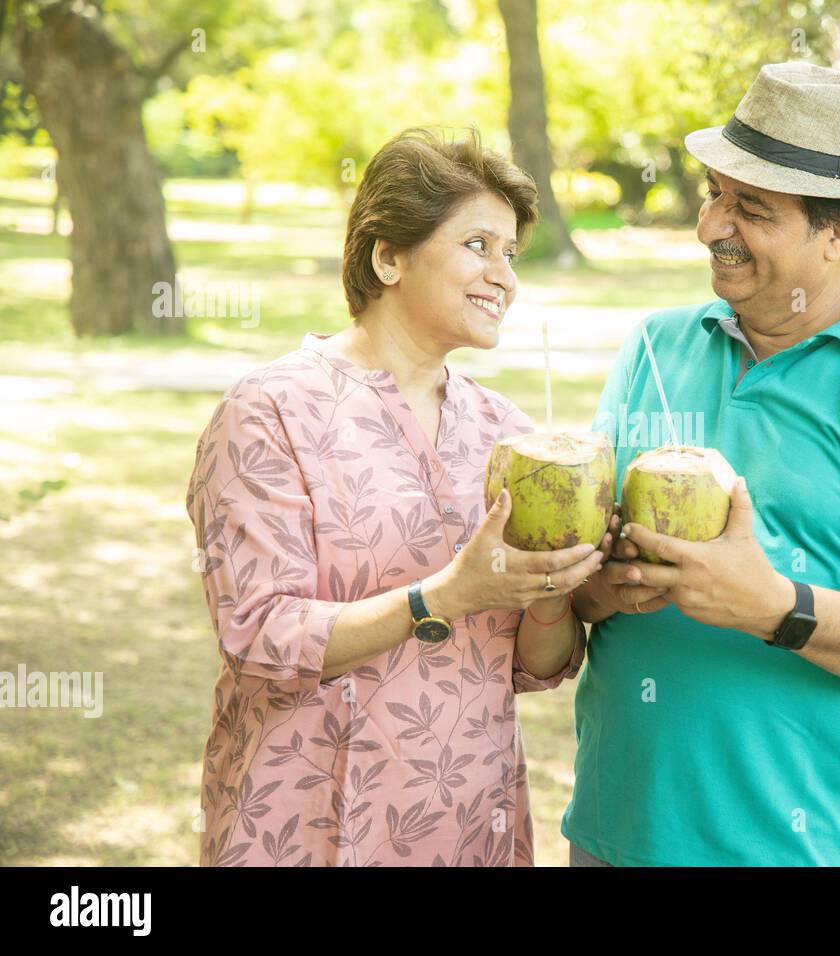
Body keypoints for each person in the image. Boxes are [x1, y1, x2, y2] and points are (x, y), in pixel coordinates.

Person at [565, 62, 840, 866]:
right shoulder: (655, 350)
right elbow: (585, 591)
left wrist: (773, 605)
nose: (709, 227)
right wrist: (601, 583)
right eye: (713, 194)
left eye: (752, 209)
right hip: (610, 837)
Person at [185, 127, 607, 866]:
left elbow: (533, 665)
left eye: (511, 254)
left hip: (468, 821)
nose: (504, 276)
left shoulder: (506, 435)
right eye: (478, 245)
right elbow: (260, 637)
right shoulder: (269, 411)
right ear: (388, 257)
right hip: (308, 818)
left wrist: (550, 595)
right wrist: (442, 595)